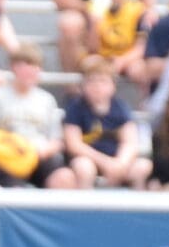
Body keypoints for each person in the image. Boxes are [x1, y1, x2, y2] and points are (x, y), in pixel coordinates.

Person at [0, 43, 77, 188]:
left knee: (64, 177)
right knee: (13, 187)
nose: (29, 71)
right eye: (23, 66)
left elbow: (56, 140)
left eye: (33, 66)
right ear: (13, 67)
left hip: (37, 155)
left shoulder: (46, 100)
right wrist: (6, 150)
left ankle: (54, 211)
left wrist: (41, 151)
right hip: (5, 158)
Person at [64, 56, 151, 190]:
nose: (97, 87)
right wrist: (104, 162)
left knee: (142, 166)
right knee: (83, 167)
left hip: (116, 160)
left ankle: (136, 208)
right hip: (90, 159)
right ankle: (84, 207)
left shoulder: (120, 108)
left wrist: (121, 163)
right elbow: (74, 144)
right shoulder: (76, 107)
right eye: (92, 81)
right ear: (83, 85)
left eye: (103, 81)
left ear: (113, 86)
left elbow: (130, 142)